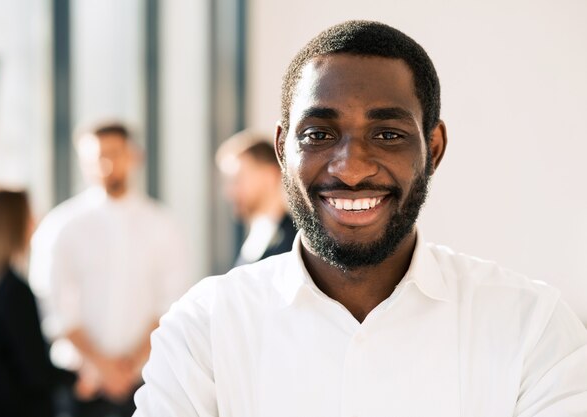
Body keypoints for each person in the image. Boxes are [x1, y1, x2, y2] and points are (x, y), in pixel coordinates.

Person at [133, 21, 587, 416]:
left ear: (435, 149)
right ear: (281, 149)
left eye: (388, 134)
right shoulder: (205, 329)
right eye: (318, 134)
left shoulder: (532, 328)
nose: (351, 168)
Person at [29, 122, 190, 417]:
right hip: (81, 384)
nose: (104, 164)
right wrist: (99, 368)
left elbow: (170, 303)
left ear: (134, 155)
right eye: (95, 157)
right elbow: (53, 306)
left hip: (146, 379)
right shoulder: (60, 226)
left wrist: (130, 366)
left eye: (114, 153)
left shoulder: (163, 225)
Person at [0, 182, 76, 417]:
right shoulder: (15, 292)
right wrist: (77, 379)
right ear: (12, 226)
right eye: (28, 216)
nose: (33, 224)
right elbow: (36, 373)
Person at [215, 130, 296, 266]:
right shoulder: (254, 238)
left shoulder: (294, 245)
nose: (229, 192)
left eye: (237, 180)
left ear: (270, 175)